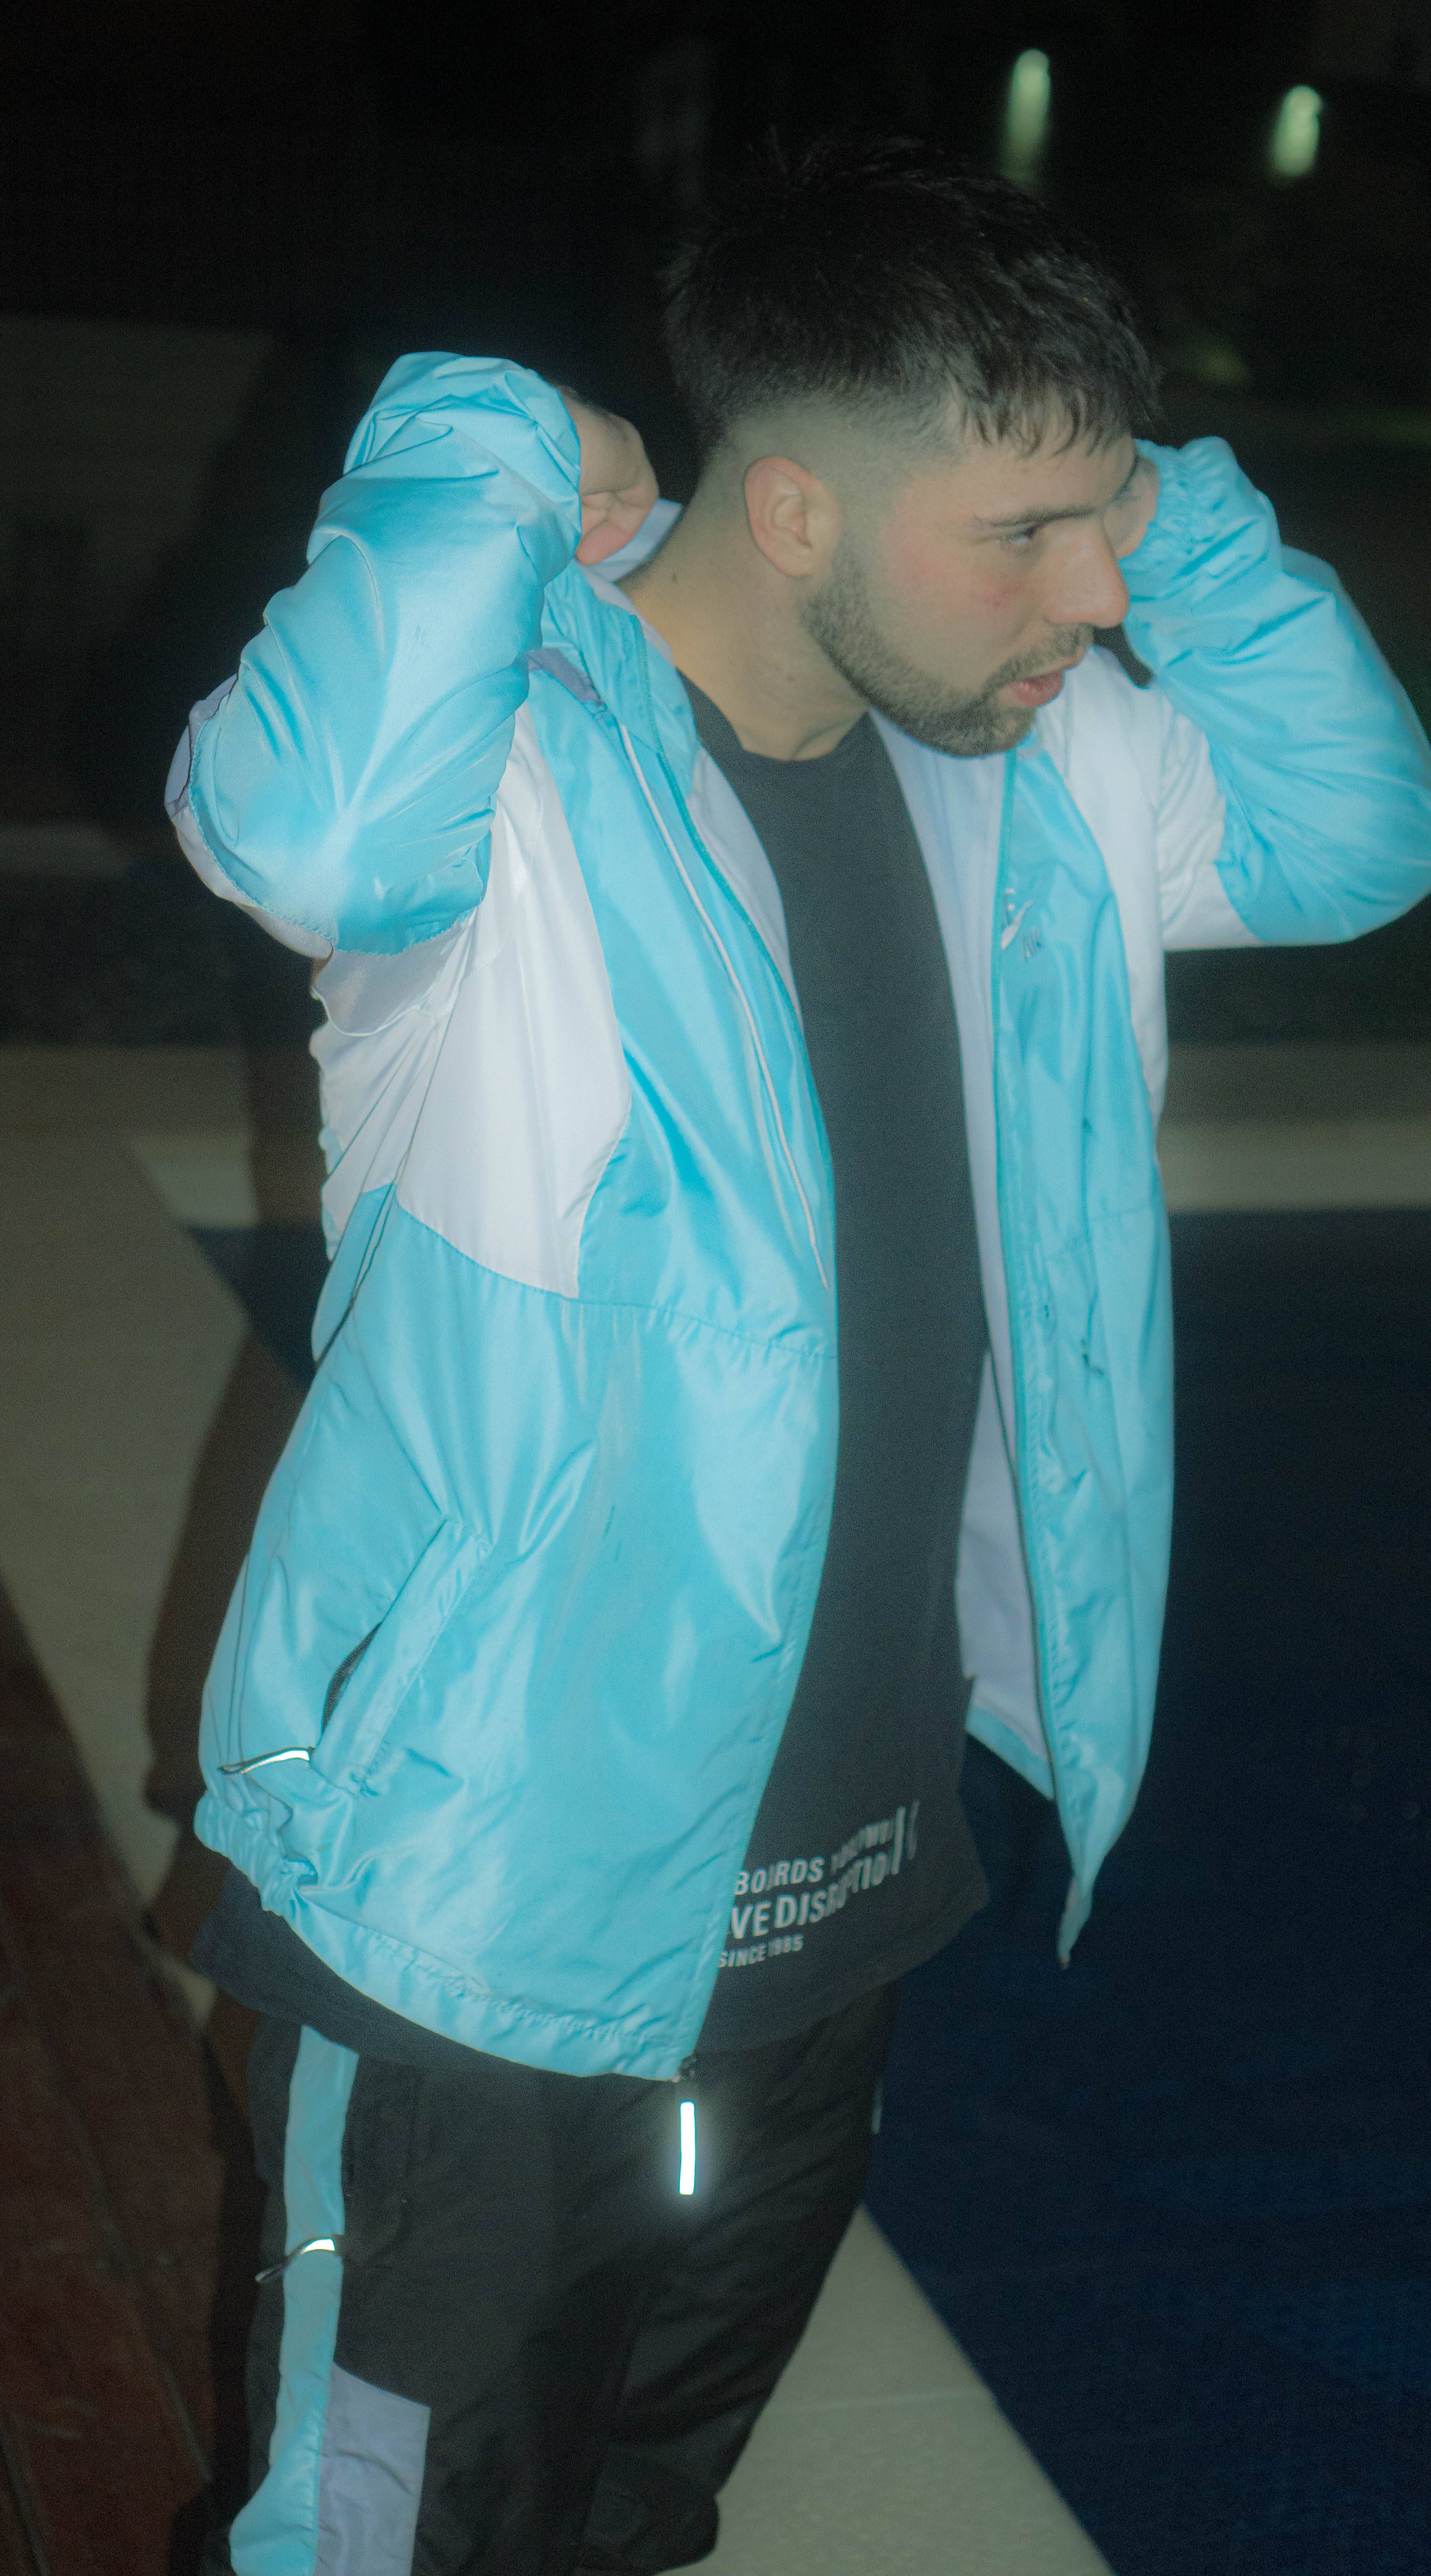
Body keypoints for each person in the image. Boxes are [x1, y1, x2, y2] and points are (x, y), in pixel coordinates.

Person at [172, 136, 1431, 2575]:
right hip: (497, 1930)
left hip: (835, 1902)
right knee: (383, 2537)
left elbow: (1354, 836)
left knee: (637, 2507)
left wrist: (1168, 505)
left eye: (1104, 524)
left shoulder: (1040, 777)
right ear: (791, 510)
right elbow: (300, 830)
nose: (1095, 595)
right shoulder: (511, 779)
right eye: (1025, 534)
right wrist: (483, 437)